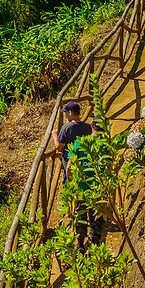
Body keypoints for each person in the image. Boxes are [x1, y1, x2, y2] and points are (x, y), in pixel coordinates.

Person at [53, 100, 102, 250]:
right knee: (92, 211)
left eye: (65, 113)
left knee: (78, 209)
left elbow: (59, 148)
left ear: (70, 113)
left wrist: (54, 135)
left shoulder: (66, 128)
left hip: (75, 173)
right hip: (92, 176)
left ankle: (80, 243)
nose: (65, 115)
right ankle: (94, 243)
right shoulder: (88, 127)